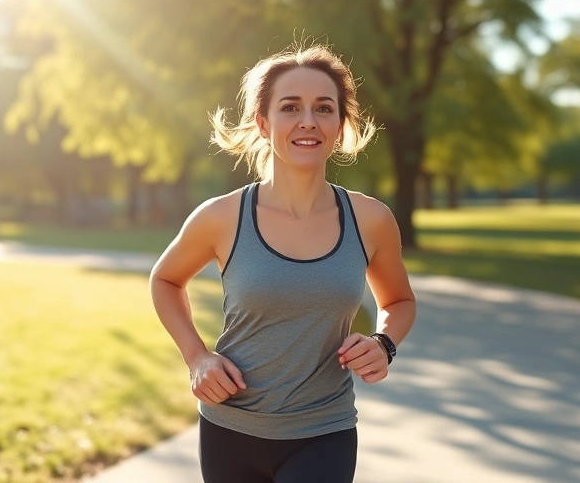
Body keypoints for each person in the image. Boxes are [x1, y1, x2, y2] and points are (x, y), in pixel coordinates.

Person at [149, 43, 417, 483]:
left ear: (339, 124)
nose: (308, 121)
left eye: (323, 108)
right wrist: (197, 357)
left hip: (323, 432)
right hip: (230, 429)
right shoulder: (222, 217)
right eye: (290, 107)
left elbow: (400, 300)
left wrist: (384, 343)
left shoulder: (371, 220)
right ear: (263, 122)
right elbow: (165, 279)